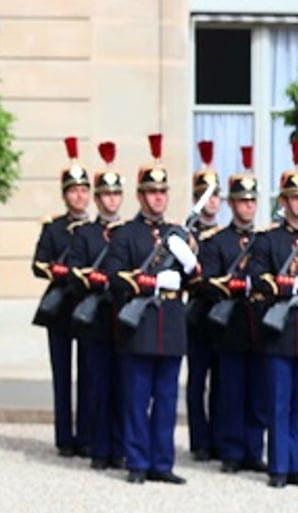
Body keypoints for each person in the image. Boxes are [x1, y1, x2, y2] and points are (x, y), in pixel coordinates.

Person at [101, 133, 198, 485]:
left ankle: (162, 462)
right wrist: (152, 283)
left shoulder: (178, 233)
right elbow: (113, 277)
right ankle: (138, 461)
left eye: (163, 192)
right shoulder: (126, 234)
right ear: (141, 196)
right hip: (139, 325)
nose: (158, 197)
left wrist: (188, 262)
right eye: (152, 192)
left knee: (168, 399)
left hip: (171, 325)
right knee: (137, 399)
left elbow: (196, 283)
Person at [246, 142, 298, 488]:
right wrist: (293, 286)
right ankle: (279, 467)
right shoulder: (269, 239)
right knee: (279, 403)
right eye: (293, 197)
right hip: (280, 327)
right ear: (283, 201)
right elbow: (259, 279)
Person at [197, 146, 268, 474]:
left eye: (252, 201)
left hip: (260, 325)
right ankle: (230, 450)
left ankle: (254, 450)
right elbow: (209, 281)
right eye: (242, 201)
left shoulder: (265, 241)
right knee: (230, 392)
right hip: (230, 325)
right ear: (231, 204)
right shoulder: (217, 241)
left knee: (258, 393)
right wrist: (240, 286)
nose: (248, 207)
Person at [32, 136, 91, 457]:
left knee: (88, 375)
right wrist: (60, 272)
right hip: (60, 307)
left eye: (83, 190)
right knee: (62, 375)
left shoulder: (97, 228)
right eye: (73, 190)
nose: (79, 196)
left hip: (86, 307)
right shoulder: (53, 229)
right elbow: (38, 264)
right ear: (65, 194)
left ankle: (84, 435)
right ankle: (64, 437)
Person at [67, 141, 125, 470]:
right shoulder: (86, 234)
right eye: (105, 195)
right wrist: (98, 279)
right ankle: (99, 448)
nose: (110, 200)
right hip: (96, 321)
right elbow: (75, 273)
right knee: (96, 388)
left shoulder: (129, 232)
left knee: (123, 389)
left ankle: (119, 447)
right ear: (98, 198)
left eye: (115, 195)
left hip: (123, 321)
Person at [185, 141, 223, 461]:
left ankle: (219, 437)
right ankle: (199, 441)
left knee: (222, 382)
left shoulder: (225, 233)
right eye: (205, 195)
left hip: (223, 315)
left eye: (215, 195)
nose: (212, 201)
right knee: (197, 380)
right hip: (198, 313)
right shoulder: (186, 234)